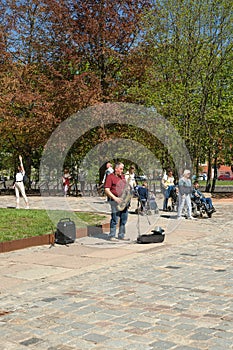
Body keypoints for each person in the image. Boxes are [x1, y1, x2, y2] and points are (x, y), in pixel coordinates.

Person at [104, 162, 130, 241]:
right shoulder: (110, 177)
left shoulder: (122, 177)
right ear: (116, 169)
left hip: (123, 200)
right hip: (114, 199)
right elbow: (107, 190)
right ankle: (112, 235)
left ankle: (121, 235)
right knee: (115, 218)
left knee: (124, 218)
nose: (122, 171)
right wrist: (115, 198)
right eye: (121, 169)